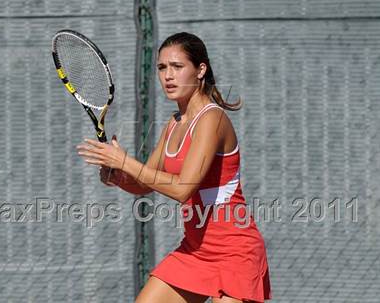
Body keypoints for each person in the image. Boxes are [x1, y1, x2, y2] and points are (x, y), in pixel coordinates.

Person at [77, 32, 272, 303]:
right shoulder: (174, 123)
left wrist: (123, 161)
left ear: (200, 69)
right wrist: (119, 176)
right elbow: (145, 184)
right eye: (162, 67)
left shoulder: (212, 120)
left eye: (177, 67)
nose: (168, 76)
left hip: (236, 254)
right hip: (195, 252)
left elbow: (182, 189)